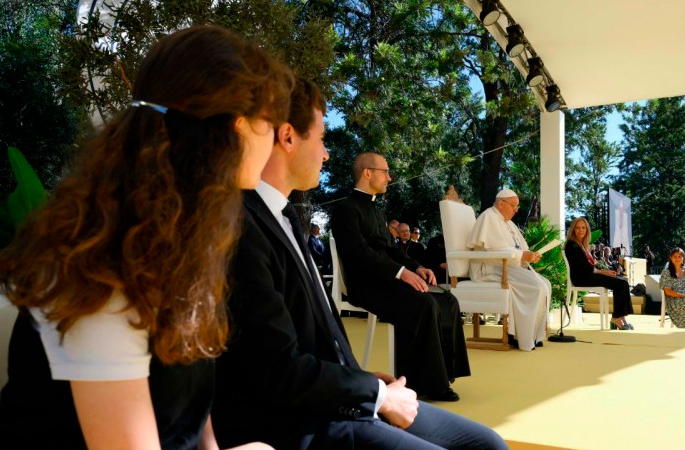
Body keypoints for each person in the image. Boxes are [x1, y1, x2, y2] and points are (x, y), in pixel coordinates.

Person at [0, 25, 290, 449]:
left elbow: (191, 408)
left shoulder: (181, 246)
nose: (277, 139)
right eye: (272, 122)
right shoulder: (100, 271)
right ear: (238, 128)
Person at [212, 84, 507, 450]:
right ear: (287, 137)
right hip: (309, 412)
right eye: (321, 139)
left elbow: (314, 329)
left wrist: (361, 377)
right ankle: (425, 379)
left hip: (343, 390)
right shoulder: (244, 225)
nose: (326, 153)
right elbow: (276, 367)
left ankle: (439, 377)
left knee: (490, 443)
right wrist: (373, 393)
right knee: (422, 304)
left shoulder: (284, 215)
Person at [332, 153, 470, 402]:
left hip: (387, 279)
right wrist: (401, 273)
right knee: (423, 303)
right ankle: (420, 383)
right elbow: (359, 254)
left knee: (447, 300)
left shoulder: (377, 210)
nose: (389, 177)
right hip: (365, 284)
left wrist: (416, 267)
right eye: (384, 172)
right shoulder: (345, 209)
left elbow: (392, 250)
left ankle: (442, 376)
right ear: (367, 173)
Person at [466, 188, 550, 351]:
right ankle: (521, 337)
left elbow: (517, 248)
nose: (516, 210)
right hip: (489, 267)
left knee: (544, 283)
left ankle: (533, 335)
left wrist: (529, 256)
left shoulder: (508, 223)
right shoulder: (489, 217)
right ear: (501, 203)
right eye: (514, 206)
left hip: (504, 266)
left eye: (517, 206)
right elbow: (494, 250)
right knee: (536, 287)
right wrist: (522, 255)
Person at [564, 218, 634, 330]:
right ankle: (616, 318)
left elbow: (590, 266)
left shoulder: (582, 245)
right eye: (577, 228)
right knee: (620, 284)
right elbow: (584, 267)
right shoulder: (572, 246)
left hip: (588, 275)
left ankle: (621, 316)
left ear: (587, 230)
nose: (581, 230)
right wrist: (604, 272)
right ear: (573, 230)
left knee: (623, 282)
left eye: (583, 228)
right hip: (581, 278)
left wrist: (605, 272)